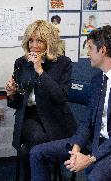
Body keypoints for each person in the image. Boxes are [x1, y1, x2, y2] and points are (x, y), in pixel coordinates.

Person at [30, 25, 111, 181]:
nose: (87, 53)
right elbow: (87, 122)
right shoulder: (97, 80)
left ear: (103, 50)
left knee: (95, 177)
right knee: (37, 153)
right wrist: (76, 147)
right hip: (96, 141)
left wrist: (91, 158)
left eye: (90, 48)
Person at [5, 20, 77, 181]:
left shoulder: (63, 63)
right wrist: (11, 93)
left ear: (49, 42)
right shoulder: (21, 63)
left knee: (28, 151)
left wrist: (39, 70)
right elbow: (17, 103)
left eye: (39, 41)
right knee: (38, 139)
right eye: (31, 40)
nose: (33, 45)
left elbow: (60, 97)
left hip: (56, 118)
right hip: (30, 117)